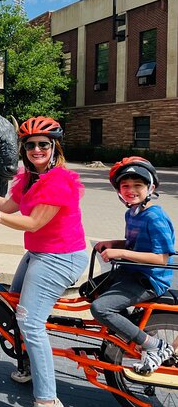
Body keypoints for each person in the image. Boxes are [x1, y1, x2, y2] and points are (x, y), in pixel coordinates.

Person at [0, 116, 88, 407]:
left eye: (43, 144)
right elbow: (10, 205)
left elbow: (31, 222)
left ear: (55, 147)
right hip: (39, 253)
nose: (36, 150)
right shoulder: (31, 176)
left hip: (61, 257)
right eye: (30, 145)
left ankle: (47, 399)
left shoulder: (58, 181)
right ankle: (30, 365)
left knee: (30, 321)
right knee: (14, 302)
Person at [90, 157, 176, 375]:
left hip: (149, 279)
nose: (131, 190)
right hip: (132, 271)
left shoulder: (155, 217)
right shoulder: (132, 213)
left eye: (138, 185)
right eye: (125, 186)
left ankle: (155, 346)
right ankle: (133, 335)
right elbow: (134, 244)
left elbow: (162, 258)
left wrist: (121, 252)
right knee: (90, 290)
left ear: (151, 187)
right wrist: (113, 243)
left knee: (101, 308)